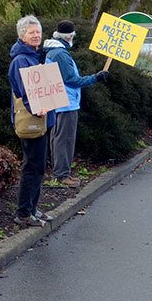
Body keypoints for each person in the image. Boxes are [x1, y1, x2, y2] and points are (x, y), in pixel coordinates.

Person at [44, 21, 108, 188]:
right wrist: (95, 78)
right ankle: (62, 175)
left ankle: (60, 173)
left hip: (60, 102)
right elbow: (71, 79)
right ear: (70, 36)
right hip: (66, 103)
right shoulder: (61, 54)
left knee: (58, 138)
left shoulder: (54, 51)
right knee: (64, 139)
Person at [8, 15, 56, 226]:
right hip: (33, 119)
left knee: (38, 167)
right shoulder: (21, 60)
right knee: (32, 166)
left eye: (38, 32)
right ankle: (23, 213)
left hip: (43, 118)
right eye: (31, 32)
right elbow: (25, 92)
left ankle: (32, 208)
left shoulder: (35, 56)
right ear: (22, 35)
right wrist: (37, 110)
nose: (36, 35)